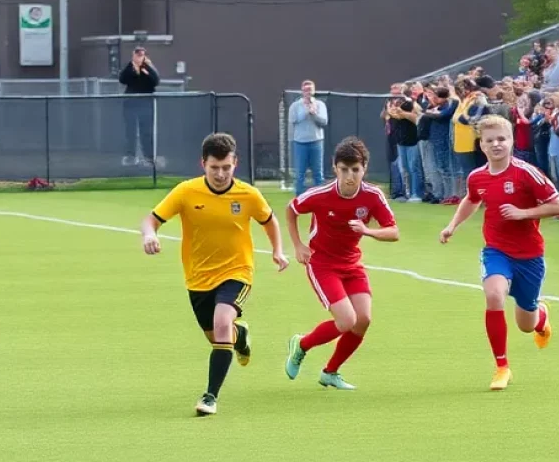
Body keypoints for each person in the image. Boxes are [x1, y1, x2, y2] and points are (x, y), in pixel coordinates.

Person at [140, 133, 288, 416]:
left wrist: (278, 251)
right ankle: (240, 334)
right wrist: (149, 234)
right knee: (218, 337)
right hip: (197, 278)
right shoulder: (186, 192)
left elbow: (269, 220)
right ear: (203, 164)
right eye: (214, 168)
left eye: (226, 168)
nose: (220, 174)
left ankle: (210, 397)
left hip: (237, 271)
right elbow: (152, 219)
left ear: (236, 164)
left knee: (222, 322)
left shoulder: (248, 194)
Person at [439, 115, 559, 390]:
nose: (496, 144)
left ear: (511, 141)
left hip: (530, 255)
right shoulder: (478, 176)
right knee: (494, 295)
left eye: (502, 139)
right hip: (496, 250)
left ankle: (541, 316)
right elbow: (472, 200)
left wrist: (523, 213)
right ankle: (501, 367)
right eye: (490, 140)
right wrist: (452, 226)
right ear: (481, 145)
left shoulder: (526, 173)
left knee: (526, 324)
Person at [284, 138, 398, 390]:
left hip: (351, 264)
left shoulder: (372, 196)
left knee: (363, 319)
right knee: (346, 320)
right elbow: (291, 210)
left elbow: (393, 231)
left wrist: (368, 231)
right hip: (322, 264)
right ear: (335, 168)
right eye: (344, 169)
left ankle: (330, 372)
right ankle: (301, 345)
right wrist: (298, 245)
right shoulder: (320, 195)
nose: (350, 176)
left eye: (355, 170)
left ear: (364, 169)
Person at [119, 46, 160, 166]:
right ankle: (130, 156)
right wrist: (133, 66)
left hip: (146, 104)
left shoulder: (148, 67)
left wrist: (145, 68)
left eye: (141, 55)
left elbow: (155, 80)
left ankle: (149, 158)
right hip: (131, 104)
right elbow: (122, 79)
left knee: (146, 131)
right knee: (130, 131)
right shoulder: (129, 67)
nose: (139, 57)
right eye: (137, 55)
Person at [289, 80, 329, 196]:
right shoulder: (295, 106)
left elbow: (324, 121)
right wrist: (306, 112)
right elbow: (293, 120)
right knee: (300, 174)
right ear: (302, 92)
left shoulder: (320, 105)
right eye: (306, 90)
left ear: (314, 91)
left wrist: (314, 114)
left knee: (318, 173)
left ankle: (320, 198)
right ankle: (299, 199)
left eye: (310, 90)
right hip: (300, 143)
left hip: (316, 142)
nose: (308, 93)